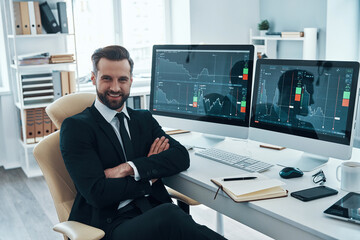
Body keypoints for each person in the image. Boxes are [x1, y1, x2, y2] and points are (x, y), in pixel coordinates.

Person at [60, 45, 226, 240]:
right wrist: (148, 176)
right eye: (107, 78)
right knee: (172, 217)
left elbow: (180, 157)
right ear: (94, 78)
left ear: (130, 81)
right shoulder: (76, 127)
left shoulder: (143, 119)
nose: (115, 87)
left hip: (153, 211)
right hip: (111, 225)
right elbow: (97, 193)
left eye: (122, 79)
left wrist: (129, 168)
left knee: (175, 221)